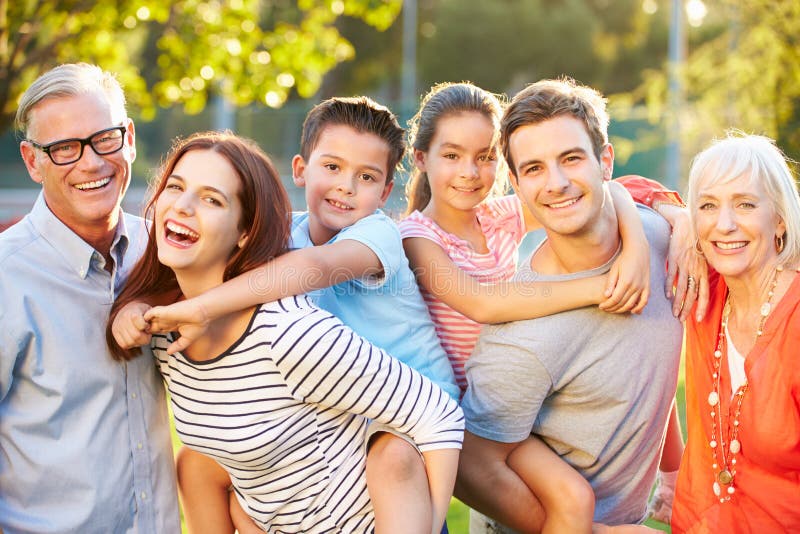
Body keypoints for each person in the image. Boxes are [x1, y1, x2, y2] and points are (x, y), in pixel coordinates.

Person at [112, 97, 459, 533]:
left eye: (366, 177)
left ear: (385, 192)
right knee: (200, 465)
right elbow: (208, 267)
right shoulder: (284, 235)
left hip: (413, 421)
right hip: (345, 414)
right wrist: (137, 307)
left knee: (392, 458)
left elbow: (312, 269)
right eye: (332, 167)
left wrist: (200, 309)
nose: (346, 186)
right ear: (301, 169)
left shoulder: (377, 235)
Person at [398, 81, 694, 530]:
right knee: (572, 502)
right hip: (458, 418)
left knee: (574, 493)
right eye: (452, 156)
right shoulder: (418, 238)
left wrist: (651, 234)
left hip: (517, 412)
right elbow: (484, 303)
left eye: (484, 157)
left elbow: (603, 193)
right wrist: (599, 288)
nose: (470, 172)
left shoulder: (499, 215)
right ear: (421, 159)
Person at [0, 63, 180, 532]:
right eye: (63, 148)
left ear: (130, 138)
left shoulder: (164, 252)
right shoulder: (6, 278)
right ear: (32, 161)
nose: (91, 163)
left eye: (105, 138)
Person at [671, 133, 800, 532]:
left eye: (745, 204)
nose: (724, 225)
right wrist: (677, 220)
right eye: (708, 206)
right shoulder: (702, 289)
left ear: (779, 218)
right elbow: (621, 190)